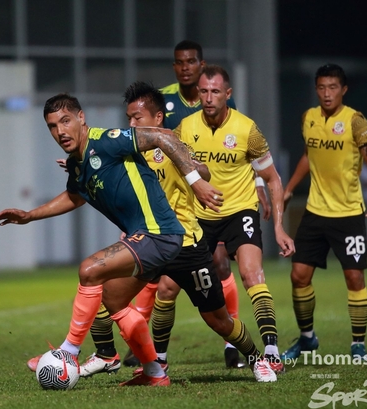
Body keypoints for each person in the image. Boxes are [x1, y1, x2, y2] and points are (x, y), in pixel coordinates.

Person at [0, 93, 222, 387]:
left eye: (65, 121)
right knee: (114, 301)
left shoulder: (107, 140)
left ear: (81, 118)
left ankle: (68, 352)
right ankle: (154, 373)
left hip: (159, 232)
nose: (60, 131)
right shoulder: (77, 164)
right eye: (52, 126)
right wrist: (29, 215)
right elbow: (74, 196)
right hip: (149, 237)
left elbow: (163, 136)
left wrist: (196, 181)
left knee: (89, 270)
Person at [79, 82, 277, 383]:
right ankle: (127, 359)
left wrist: (196, 173)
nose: (131, 124)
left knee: (218, 320)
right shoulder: (129, 153)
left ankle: (256, 358)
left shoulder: (172, 143)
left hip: (186, 244)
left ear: (158, 118)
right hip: (149, 242)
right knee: (107, 293)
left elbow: (204, 171)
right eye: (129, 118)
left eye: (137, 117)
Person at [122, 40, 270, 369]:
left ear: (202, 68)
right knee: (153, 287)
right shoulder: (163, 100)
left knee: (219, 273)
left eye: (191, 62)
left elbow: (235, 152)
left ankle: (242, 349)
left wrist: (256, 182)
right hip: (176, 214)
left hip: (216, 206)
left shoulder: (221, 106)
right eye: (179, 62)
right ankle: (134, 354)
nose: (185, 67)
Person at [176, 64, 295, 373]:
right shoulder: (185, 128)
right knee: (167, 286)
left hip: (240, 211)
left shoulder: (247, 130)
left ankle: (271, 350)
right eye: (204, 91)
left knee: (252, 274)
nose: (209, 98)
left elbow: (273, 178)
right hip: (200, 216)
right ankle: (157, 363)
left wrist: (279, 228)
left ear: (228, 94)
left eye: (215, 91)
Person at [281, 64, 367, 361]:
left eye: (332, 87)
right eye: (321, 87)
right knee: (298, 275)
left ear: (343, 89)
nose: (326, 93)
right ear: (316, 89)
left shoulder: (355, 120)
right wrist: (289, 188)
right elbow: (308, 156)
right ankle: (307, 339)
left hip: (348, 214)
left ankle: (358, 344)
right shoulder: (308, 118)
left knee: (354, 278)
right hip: (315, 211)